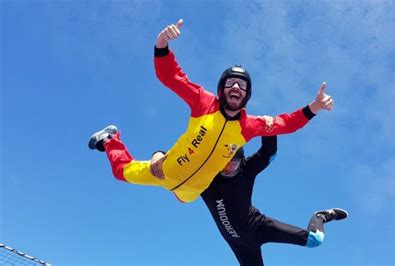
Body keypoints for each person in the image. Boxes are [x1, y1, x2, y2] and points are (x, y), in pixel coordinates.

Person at [88, 19, 334, 203]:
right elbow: (172, 77)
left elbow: (285, 123)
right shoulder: (203, 102)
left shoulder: (249, 126)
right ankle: (110, 139)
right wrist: (161, 45)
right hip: (163, 172)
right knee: (120, 172)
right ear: (221, 89)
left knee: (185, 198)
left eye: (242, 85)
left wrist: (313, 107)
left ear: (247, 95)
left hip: (189, 193)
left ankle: (159, 157)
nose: (236, 86)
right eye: (230, 82)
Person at [151, 136, 348, 265]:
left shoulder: (246, 169)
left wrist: (267, 126)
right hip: (241, 245)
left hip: (259, 227)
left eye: (234, 164)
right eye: (225, 165)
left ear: (240, 162)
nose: (229, 169)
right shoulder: (207, 176)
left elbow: (269, 152)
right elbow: (177, 161)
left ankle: (320, 216)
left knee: (315, 240)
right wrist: (158, 154)